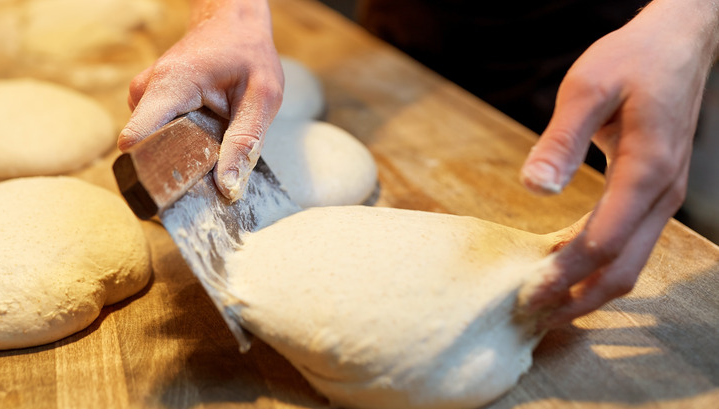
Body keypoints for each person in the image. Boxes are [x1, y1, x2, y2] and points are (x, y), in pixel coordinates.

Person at [117, 0, 719, 330]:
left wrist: (689, 22)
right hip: (413, 28)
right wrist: (230, 16)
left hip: (612, 43)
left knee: (626, 209)